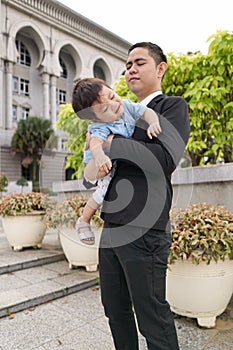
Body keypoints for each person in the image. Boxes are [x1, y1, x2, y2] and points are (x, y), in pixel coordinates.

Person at [85, 42, 190, 349]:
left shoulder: (171, 107)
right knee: (115, 310)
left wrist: (111, 143)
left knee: (151, 317)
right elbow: (89, 178)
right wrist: (94, 158)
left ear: (161, 68)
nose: (130, 69)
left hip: (145, 229)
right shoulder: (112, 116)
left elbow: (165, 158)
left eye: (139, 62)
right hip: (112, 226)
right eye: (127, 65)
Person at [72, 77, 162, 245]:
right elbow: (95, 143)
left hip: (116, 159)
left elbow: (146, 112)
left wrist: (153, 122)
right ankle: (83, 221)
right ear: (96, 118)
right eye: (105, 108)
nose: (114, 104)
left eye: (112, 96)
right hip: (102, 163)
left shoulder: (127, 105)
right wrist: (100, 157)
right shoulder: (100, 127)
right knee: (102, 192)